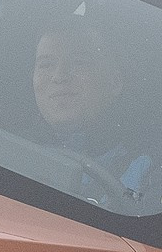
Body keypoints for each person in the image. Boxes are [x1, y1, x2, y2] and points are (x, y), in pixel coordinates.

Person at [32, 20, 153, 198]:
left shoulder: (151, 166)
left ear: (115, 82)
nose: (59, 76)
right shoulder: (0, 150)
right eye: (46, 65)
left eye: (79, 63)